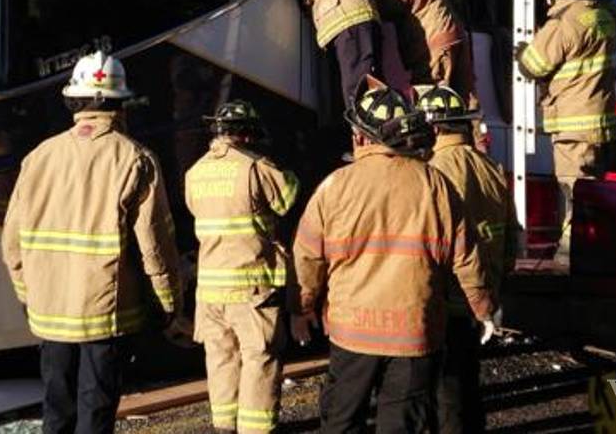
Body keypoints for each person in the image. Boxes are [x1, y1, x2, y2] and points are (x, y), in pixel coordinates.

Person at [291, 77, 495, 433]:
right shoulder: (435, 184)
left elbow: (307, 257)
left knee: (341, 421)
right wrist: (482, 308)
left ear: (360, 136)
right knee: (402, 424)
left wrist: (302, 308)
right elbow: (467, 258)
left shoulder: (335, 186)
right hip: (413, 333)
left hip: (351, 331)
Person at [1, 52, 184, 434]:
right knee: (95, 413)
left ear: (74, 101)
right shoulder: (135, 159)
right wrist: (168, 303)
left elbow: (12, 242)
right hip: (106, 315)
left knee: (57, 413)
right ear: (120, 104)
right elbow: (155, 244)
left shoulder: (39, 157)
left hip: (49, 314)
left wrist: (27, 293)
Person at [184, 100, 300, 433]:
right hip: (250, 286)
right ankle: (256, 428)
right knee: (258, 358)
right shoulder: (255, 166)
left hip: (209, 289)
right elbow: (287, 198)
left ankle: (223, 426)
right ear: (248, 135)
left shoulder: (195, 172)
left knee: (220, 358)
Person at [418, 84, 518, 433]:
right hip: (481, 299)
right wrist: (494, 286)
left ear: (433, 128)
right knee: (468, 387)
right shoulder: (491, 168)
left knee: (444, 394)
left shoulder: (432, 172)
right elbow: (511, 238)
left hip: (447, 300)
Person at [516, 0, 616, 265]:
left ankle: (572, 254)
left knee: (573, 191)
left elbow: (534, 66)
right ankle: (595, 249)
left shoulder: (564, 22)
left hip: (573, 124)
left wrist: (523, 51)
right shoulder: (602, 17)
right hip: (599, 121)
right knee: (594, 193)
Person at [294, 0, 383, 105]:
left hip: (352, 22)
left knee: (360, 84)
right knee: (361, 82)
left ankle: (365, 126)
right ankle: (368, 123)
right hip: (350, 25)